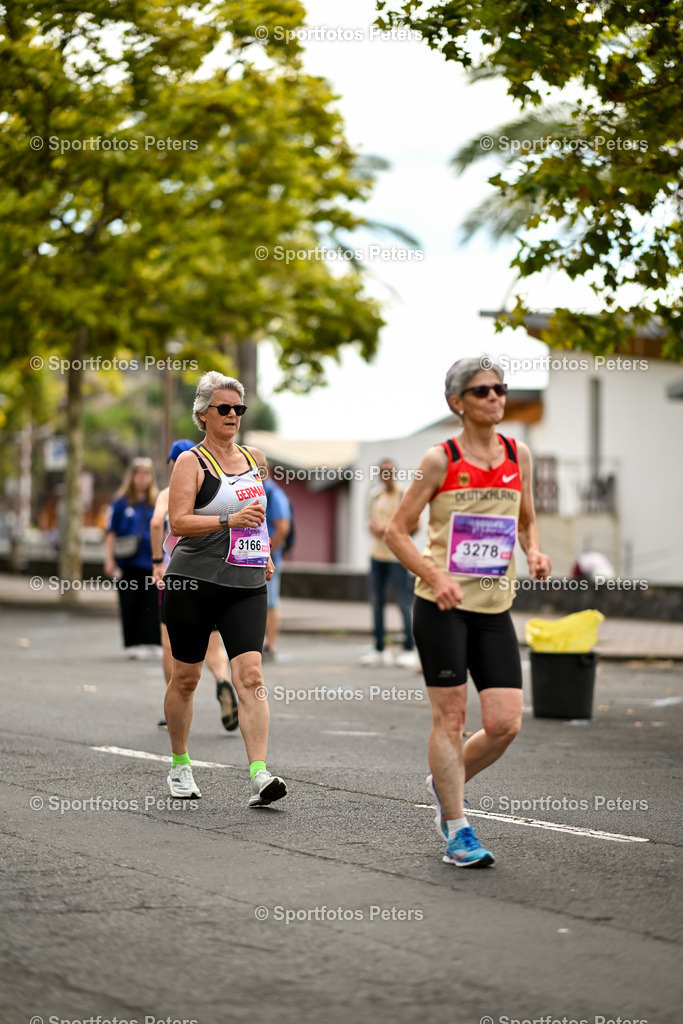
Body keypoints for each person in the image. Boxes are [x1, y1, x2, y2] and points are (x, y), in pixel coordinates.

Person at [385, 358, 551, 868]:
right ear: (457, 402)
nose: (496, 397)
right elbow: (397, 531)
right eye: (483, 391)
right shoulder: (441, 459)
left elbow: (526, 518)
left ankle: (443, 782)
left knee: (505, 723)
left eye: (500, 389)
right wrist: (436, 578)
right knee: (452, 718)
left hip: (494, 605)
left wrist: (534, 551)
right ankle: (457, 828)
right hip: (441, 606)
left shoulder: (517, 453)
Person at [161, 371, 287, 807]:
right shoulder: (190, 463)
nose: (233, 415)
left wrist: (264, 551)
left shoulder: (256, 458)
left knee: (250, 675)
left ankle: (259, 774)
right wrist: (225, 521)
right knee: (187, 679)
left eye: (239, 408)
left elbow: (258, 511)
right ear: (202, 414)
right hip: (193, 581)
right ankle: (180, 765)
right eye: (224, 408)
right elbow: (178, 522)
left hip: (245, 583)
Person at [150, 439, 239, 732]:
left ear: (173, 463)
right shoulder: (218, 488)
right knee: (214, 643)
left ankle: (171, 705)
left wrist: (156, 562)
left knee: (170, 643)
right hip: (215, 572)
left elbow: (155, 524)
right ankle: (223, 680)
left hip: (180, 573)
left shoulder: (169, 491)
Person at [360, 459, 418, 668]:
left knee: (403, 601)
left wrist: (386, 529)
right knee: (377, 602)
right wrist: (378, 528)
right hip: (377, 554)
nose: (386, 475)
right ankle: (379, 648)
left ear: (395, 473)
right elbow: (370, 522)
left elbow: (412, 525)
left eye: (389, 471)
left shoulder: (403, 495)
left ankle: (408, 648)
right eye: (382, 471)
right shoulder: (375, 495)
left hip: (397, 556)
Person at [105, 457, 162, 660]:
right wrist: (109, 559)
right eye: (138, 474)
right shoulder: (120, 502)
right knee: (129, 603)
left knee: (152, 604)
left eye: (146, 474)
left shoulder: (156, 502)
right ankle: (132, 642)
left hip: (151, 561)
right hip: (128, 562)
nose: (142, 478)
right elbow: (110, 532)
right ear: (132, 476)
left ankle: (153, 642)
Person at [262, 463, 291, 661]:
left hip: (268, 557)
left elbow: (283, 527)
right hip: (254, 557)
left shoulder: (274, 493)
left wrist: (267, 553)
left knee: (271, 602)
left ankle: (271, 645)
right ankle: (262, 642)